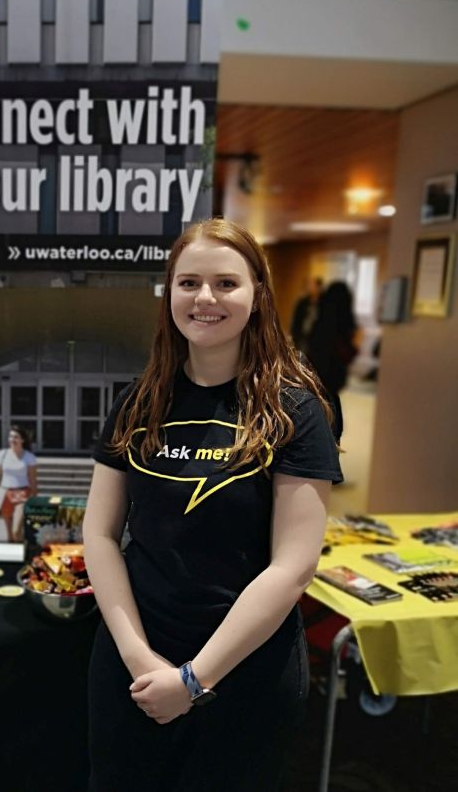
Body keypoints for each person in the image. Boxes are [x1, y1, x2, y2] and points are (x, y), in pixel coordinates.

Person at [83, 219, 342, 792]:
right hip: (134, 666)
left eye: (226, 283)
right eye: (188, 282)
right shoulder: (136, 401)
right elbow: (100, 534)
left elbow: (293, 566)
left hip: (247, 671)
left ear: (257, 296)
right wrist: (138, 657)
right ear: (169, 293)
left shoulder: (295, 412)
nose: (205, 298)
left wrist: (194, 681)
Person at [305, 280, 361, 441]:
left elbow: (311, 343)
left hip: (316, 370)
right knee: (332, 409)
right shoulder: (346, 322)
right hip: (335, 373)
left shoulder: (321, 317)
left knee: (319, 408)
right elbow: (349, 353)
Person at [0, 426, 38, 543]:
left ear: (22, 440)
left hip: (22, 493)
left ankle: (23, 554)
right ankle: (15, 557)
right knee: (10, 535)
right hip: (5, 493)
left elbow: (33, 480)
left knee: (16, 530)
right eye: (10, 437)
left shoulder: (29, 457)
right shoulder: (2, 454)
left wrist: (35, 498)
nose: (12, 439)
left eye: (16, 437)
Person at [289, 276, 323, 355]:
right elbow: (296, 319)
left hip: (315, 339)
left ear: (319, 287)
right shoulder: (302, 302)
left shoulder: (323, 305)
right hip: (301, 336)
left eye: (312, 285)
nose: (310, 288)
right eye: (309, 285)